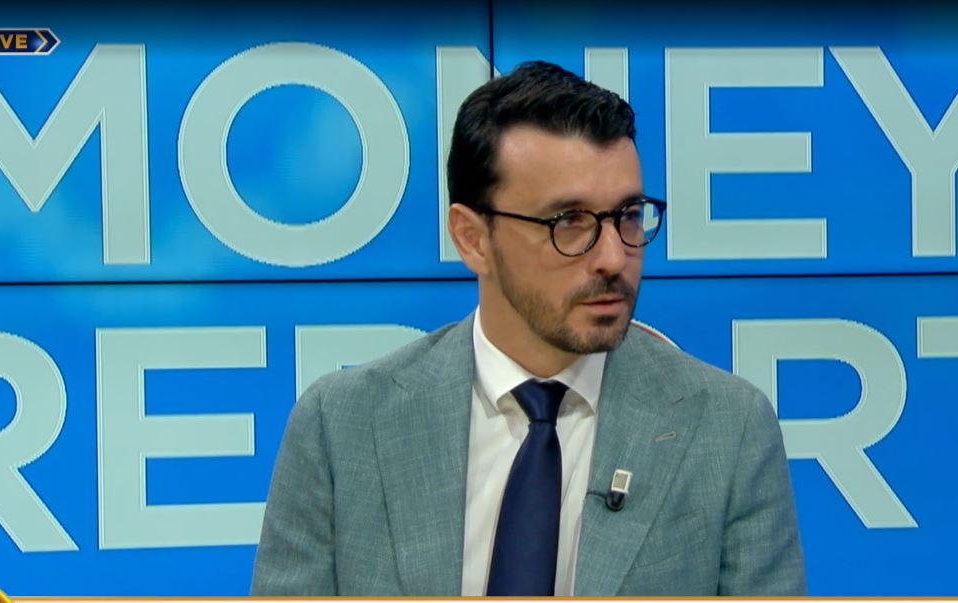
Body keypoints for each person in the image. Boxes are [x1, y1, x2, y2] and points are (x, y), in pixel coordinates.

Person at [251, 61, 805, 596]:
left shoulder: (728, 430)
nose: (614, 257)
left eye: (629, 215)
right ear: (472, 239)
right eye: (570, 222)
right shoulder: (342, 426)